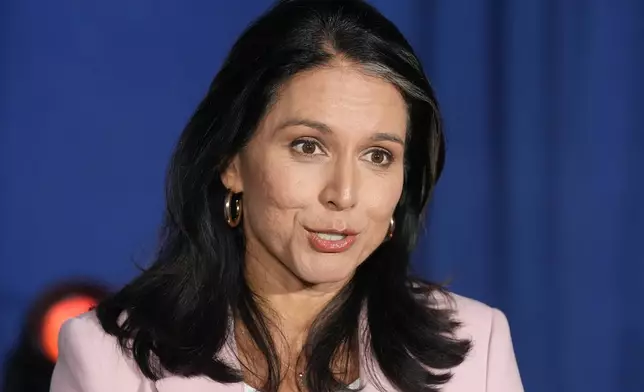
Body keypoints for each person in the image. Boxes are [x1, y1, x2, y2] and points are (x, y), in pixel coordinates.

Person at [50, 1, 523, 391]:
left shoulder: (478, 351)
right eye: (308, 146)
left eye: (378, 155)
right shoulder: (107, 363)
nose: (344, 194)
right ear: (231, 160)